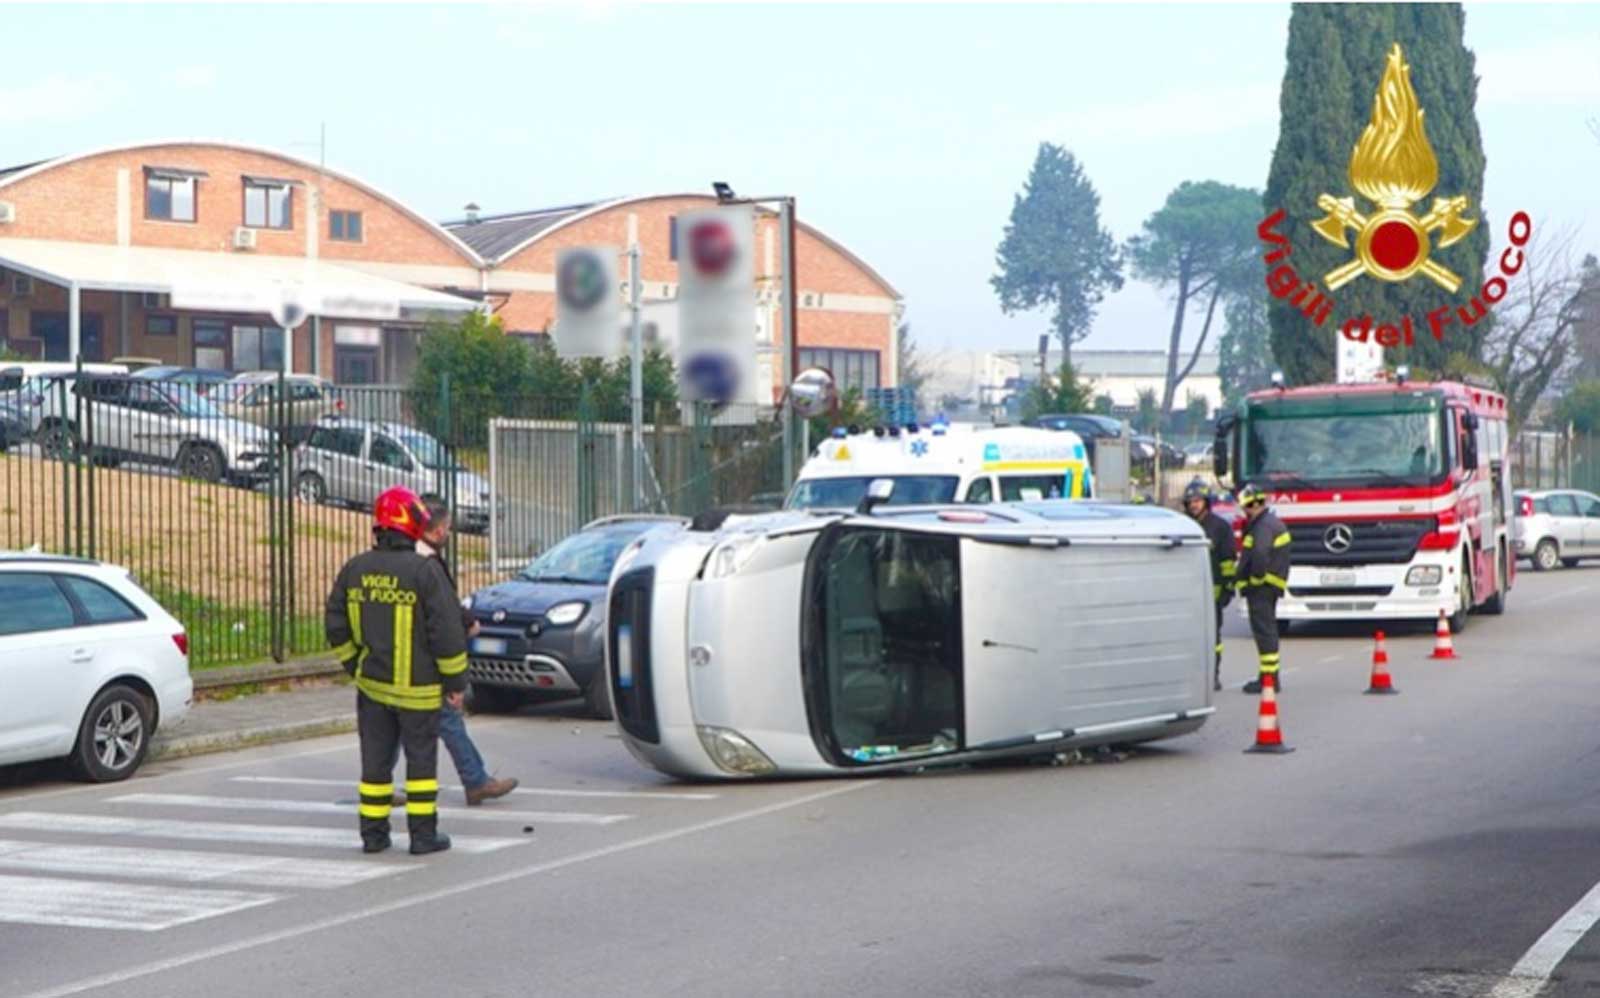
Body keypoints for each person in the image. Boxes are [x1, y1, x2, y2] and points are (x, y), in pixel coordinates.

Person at [326, 486, 469, 855]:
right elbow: (447, 631)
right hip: (418, 693)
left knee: (374, 768)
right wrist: (455, 682)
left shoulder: (355, 569)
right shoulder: (425, 571)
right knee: (420, 767)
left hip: (372, 689)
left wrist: (354, 664)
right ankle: (423, 837)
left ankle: (373, 837)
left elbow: (335, 623)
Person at [416, 494, 518, 807]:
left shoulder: (409, 560)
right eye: (446, 527)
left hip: (406, 660)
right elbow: (444, 611)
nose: (448, 533)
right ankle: (475, 781)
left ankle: (475, 780)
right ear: (435, 530)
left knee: (401, 724)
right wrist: (456, 682)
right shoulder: (427, 563)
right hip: (425, 661)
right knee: (446, 719)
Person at [1234, 483, 1292, 694]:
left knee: (1264, 633)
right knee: (1267, 631)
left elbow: (1258, 556)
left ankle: (1268, 679)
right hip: (1270, 586)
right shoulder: (1269, 523)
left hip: (1262, 588)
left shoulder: (1262, 527)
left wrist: (1253, 582)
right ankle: (1268, 675)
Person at [1184, 479, 1237, 692]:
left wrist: (1227, 589)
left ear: (1206, 502)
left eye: (1197, 501)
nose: (1194, 505)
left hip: (1212, 595)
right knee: (1189, 638)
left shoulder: (1220, 527)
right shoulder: (1183, 525)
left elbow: (1227, 561)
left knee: (1212, 639)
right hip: (1187, 593)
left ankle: (1212, 675)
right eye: (1190, 501)